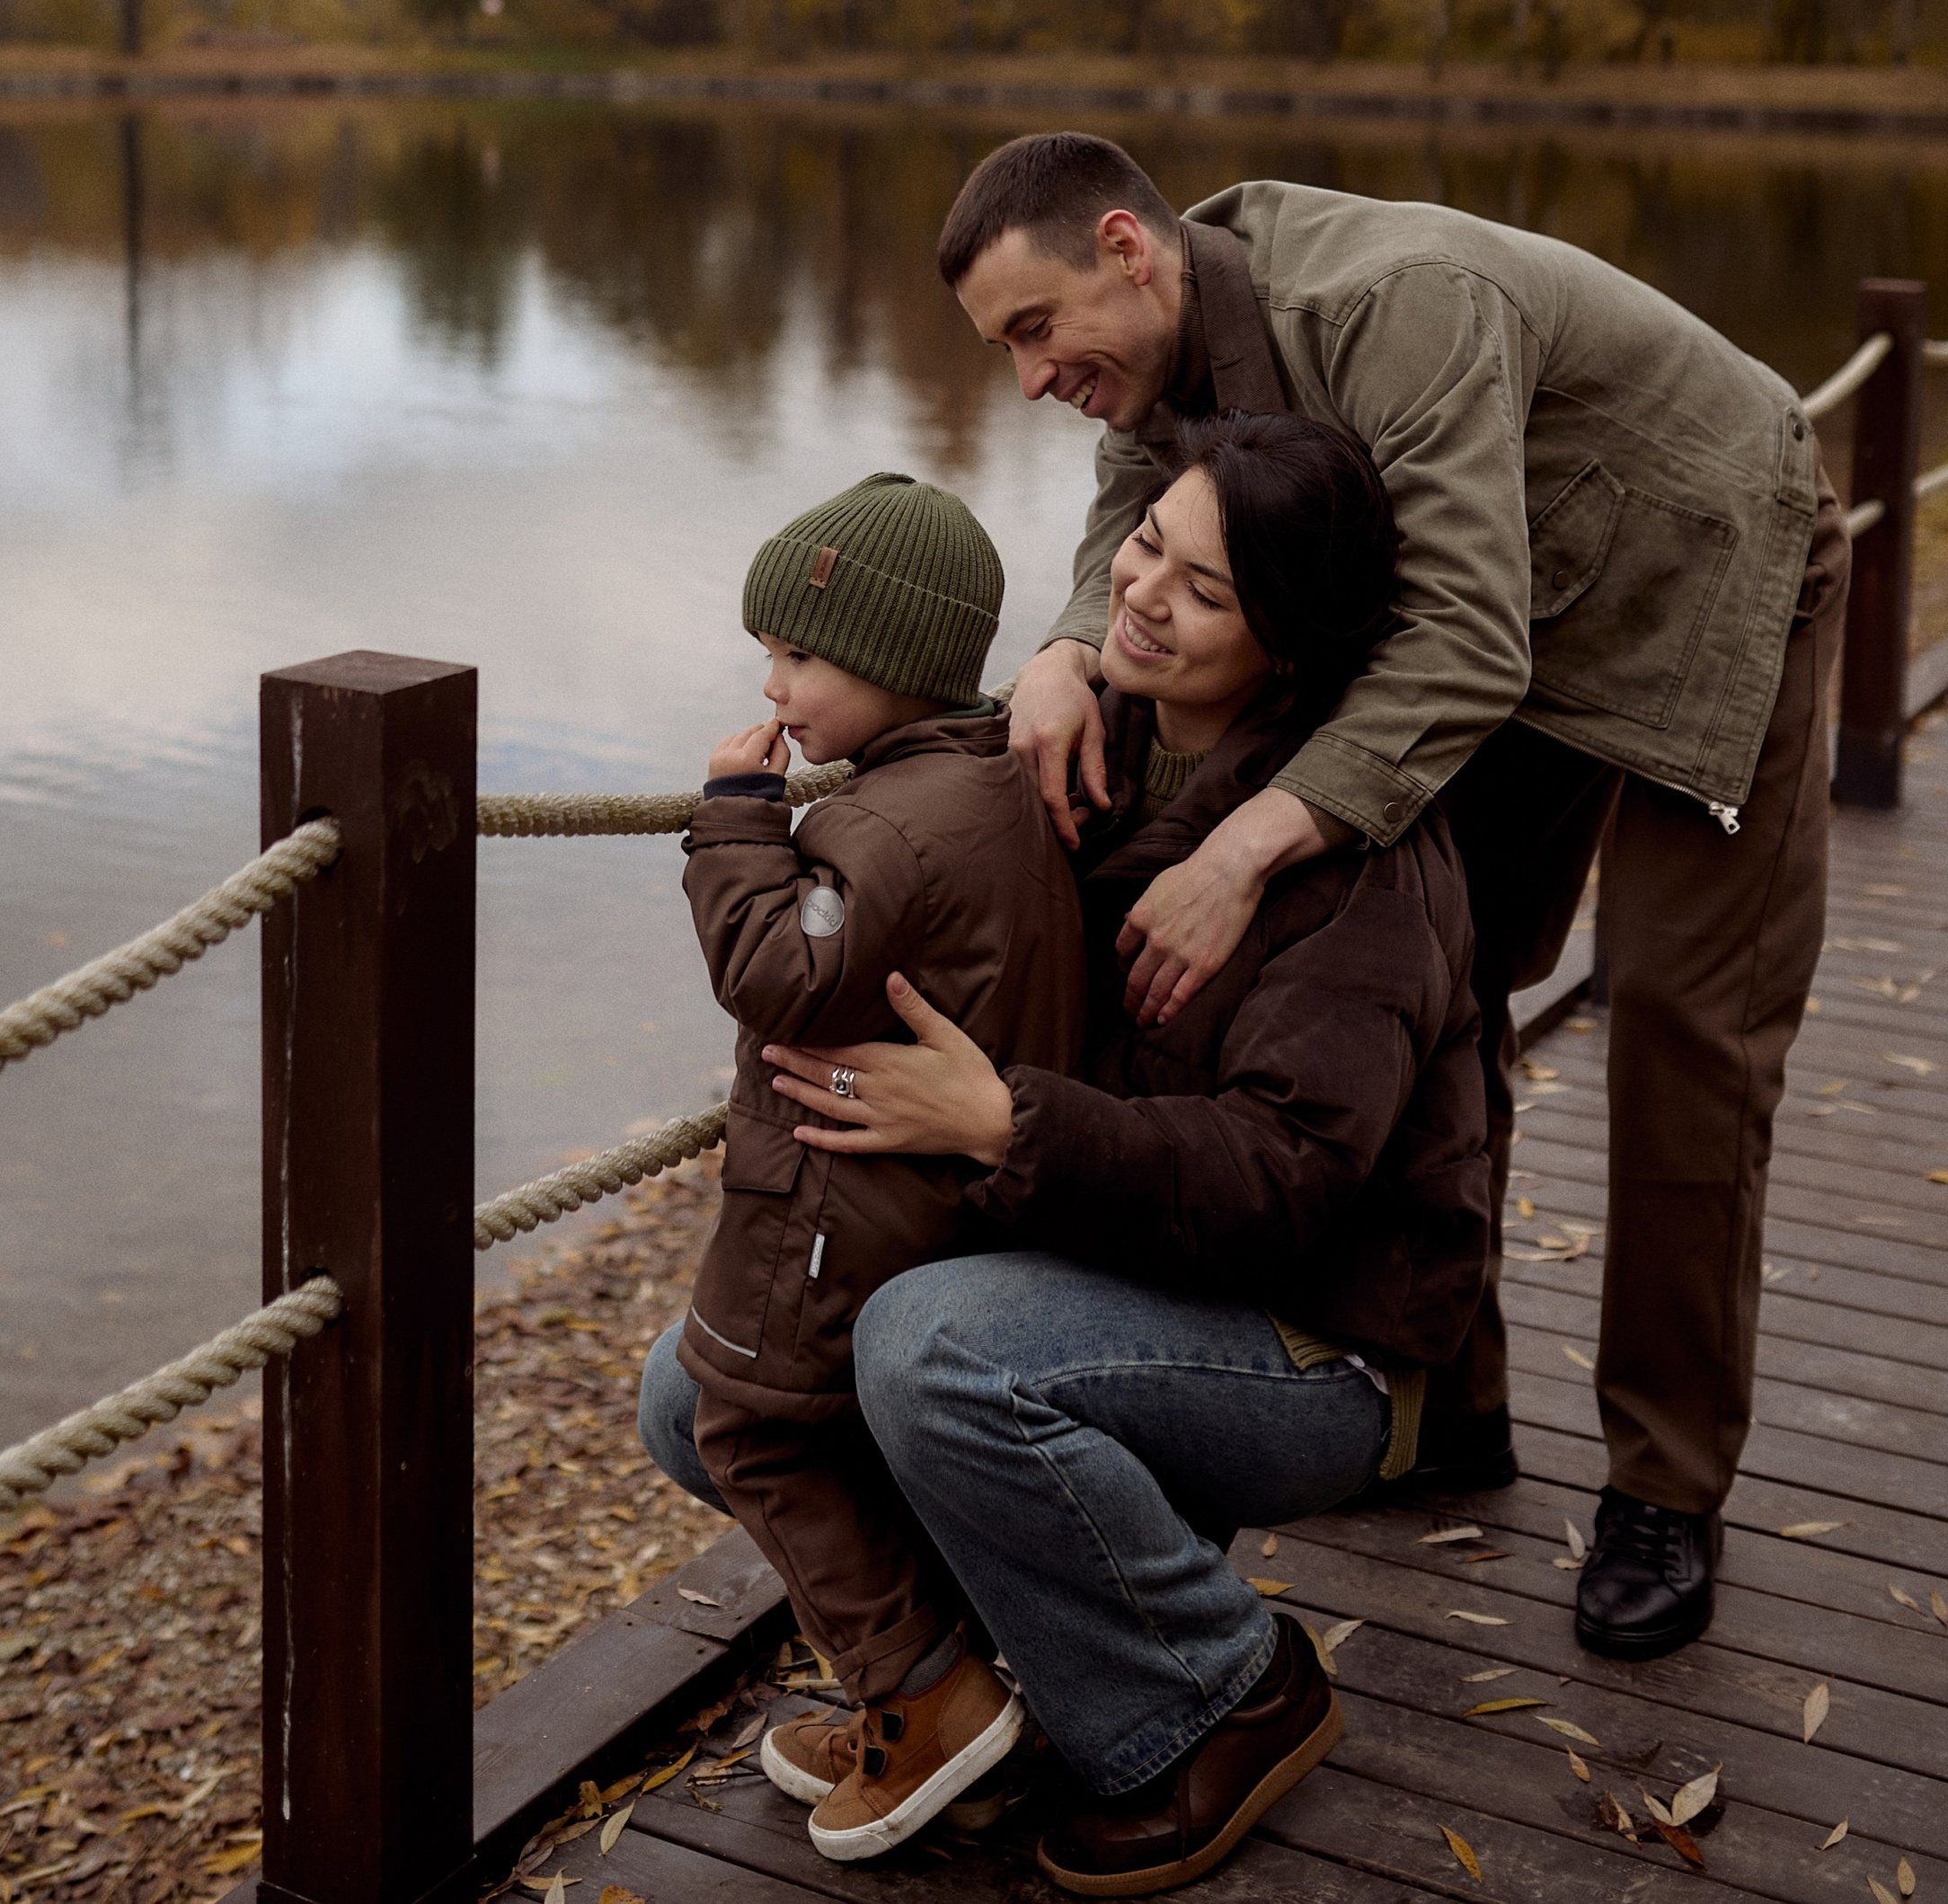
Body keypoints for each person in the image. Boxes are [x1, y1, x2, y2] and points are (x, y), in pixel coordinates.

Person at [938, 130, 1849, 1661]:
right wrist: (1060, 647)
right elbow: (1128, 514)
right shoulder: (1168, 351)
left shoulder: (1394, 299)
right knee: (1449, 967)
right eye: (1005, 351)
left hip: (1699, 567)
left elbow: (1467, 640)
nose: (1031, 378)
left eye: (1038, 330)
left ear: (1124, 247)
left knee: (1687, 1028)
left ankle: (1665, 1486)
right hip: (1498, 607)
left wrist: (1242, 847)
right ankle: (1449, 1400)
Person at [642, 412, 1486, 1894]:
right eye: (1147, 543)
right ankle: (975, 1687)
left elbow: (1281, 1182)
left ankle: (1218, 1686)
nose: (1147, 595)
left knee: (928, 1347)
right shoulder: (1087, 745)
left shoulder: (1362, 865)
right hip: (1114, 1254)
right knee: (696, 1385)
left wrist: (995, 1121)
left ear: (1289, 642)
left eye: (1206, 589)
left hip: (1323, 1340)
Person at [675, 469, 1086, 1863]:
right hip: (918, 1208)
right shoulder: (977, 785)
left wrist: (736, 818)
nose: (773, 684)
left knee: (751, 1423)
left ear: (897, 662)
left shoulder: (880, 826)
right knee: (831, 1434)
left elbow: (777, 973)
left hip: (829, 1211)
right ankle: (936, 1699)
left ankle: (924, 1696)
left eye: (798, 654)